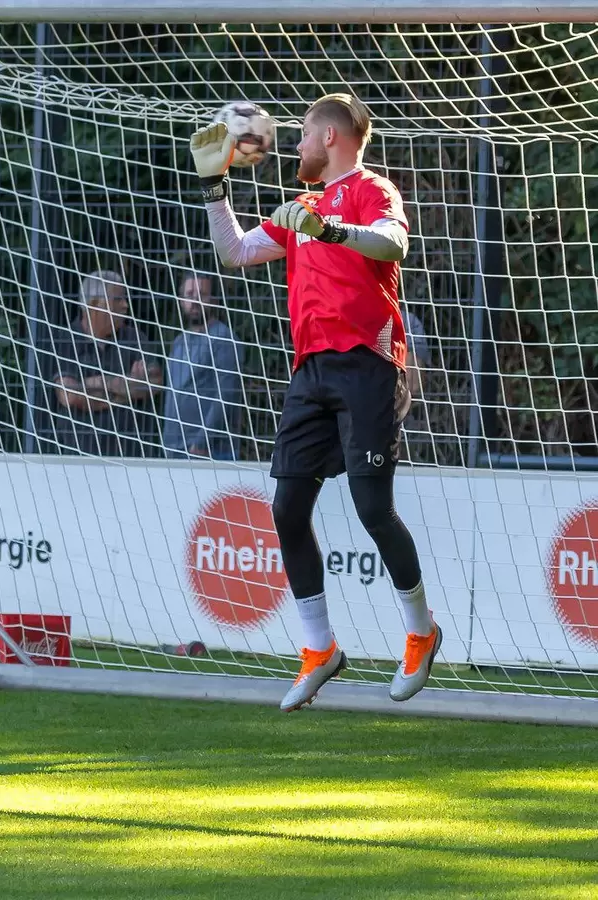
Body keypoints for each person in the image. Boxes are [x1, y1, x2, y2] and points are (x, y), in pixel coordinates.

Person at [190, 93, 442, 711]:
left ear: (331, 138)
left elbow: (391, 247)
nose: (293, 144)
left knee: (371, 508)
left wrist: (329, 229)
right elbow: (238, 252)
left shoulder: (369, 189)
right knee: (286, 508)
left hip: (368, 365)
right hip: (309, 370)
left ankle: (420, 632)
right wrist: (214, 187)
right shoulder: (299, 205)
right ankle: (318, 649)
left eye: (302, 133)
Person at [52, 270, 163, 457]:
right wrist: (119, 387)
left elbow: (156, 382)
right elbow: (69, 396)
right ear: (95, 304)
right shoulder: (65, 339)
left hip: (131, 456)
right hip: (78, 457)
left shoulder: (135, 337)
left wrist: (89, 385)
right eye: (118, 299)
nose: (126, 305)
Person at [163, 272, 243, 460]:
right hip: (175, 448)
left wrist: (202, 441)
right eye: (189, 294)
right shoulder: (178, 342)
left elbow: (226, 394)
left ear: (214, 300)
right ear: (181, 300)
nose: (195, 301)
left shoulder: (223, 338)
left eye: (202, 294)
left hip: (209, 451)